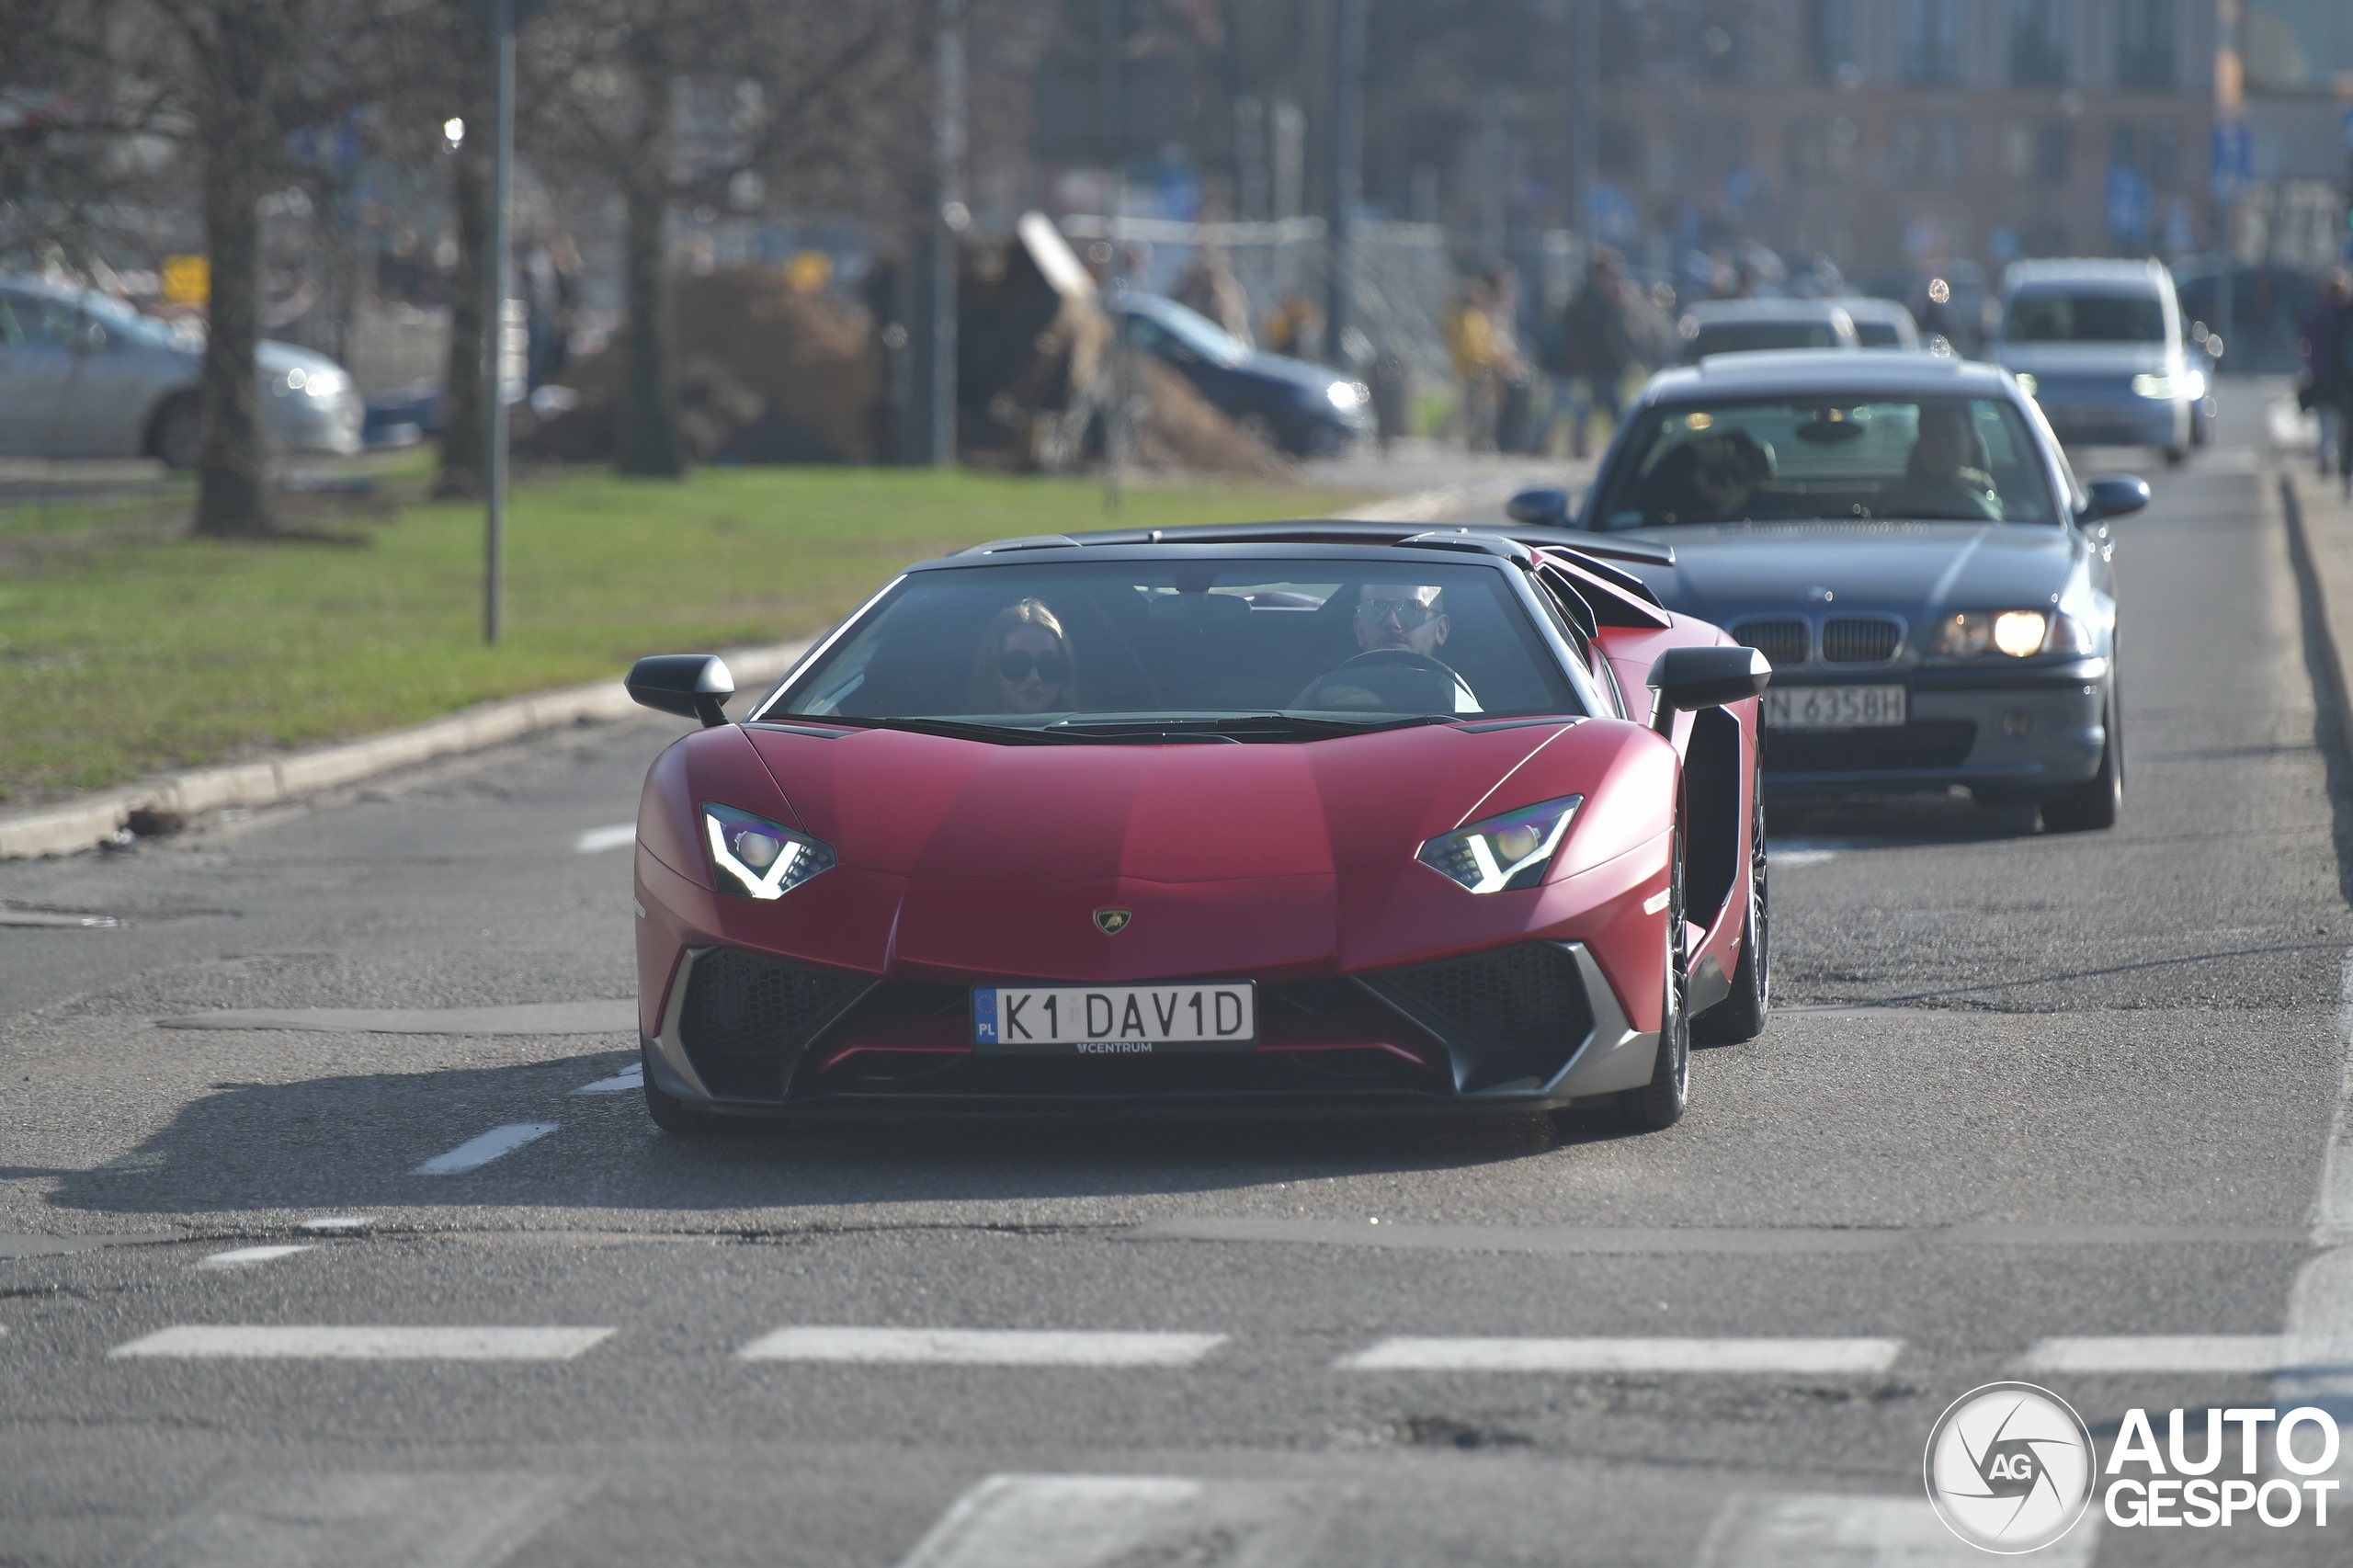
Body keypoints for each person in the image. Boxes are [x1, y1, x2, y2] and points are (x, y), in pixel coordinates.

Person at [1293, 583, 1478, 712]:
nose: (1391, 623)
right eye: (1374, 607)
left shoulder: (1474, 715)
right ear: (1359, 630)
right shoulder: (1317, 706)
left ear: (1441, 629)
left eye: (1414, 608)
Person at [1548, 249, 1639, 459]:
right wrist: (1622, 360)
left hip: (1604, 364)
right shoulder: (1591, 301)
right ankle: (1624, 445)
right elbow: (1604, 337)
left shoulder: (1607, 300)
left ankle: (1583, 442)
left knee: (1596, 406)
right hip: (1600, 364)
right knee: (1610, 407)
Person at [1886, 403, 2001, 520]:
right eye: (1930, 435)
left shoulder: (1990, 494)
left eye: (1951, 433)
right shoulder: (1903, 507)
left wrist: (1989, 495)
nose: (1940, 444)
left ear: (1972, 443)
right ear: (1920, 447)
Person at [967, 598, 1077, 714]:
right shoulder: (960, 728)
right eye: (1017, 664)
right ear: (991, 671)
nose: (1034, 679)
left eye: (1050, 665)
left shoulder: (1089, 726)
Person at [2299, 270, 2351, 485]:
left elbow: (2303, 341)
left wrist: (2311, 362)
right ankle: (2336, 461)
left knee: (2327, 420)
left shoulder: (2318, 313)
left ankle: (2327, 457)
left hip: (2321, 375)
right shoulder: (2343, 315)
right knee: (2340, 422)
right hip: (2339, 378)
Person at [1447, 278, 1499, 452]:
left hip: (1484, 366)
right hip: (1472, 367)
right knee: (1475, 407)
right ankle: (1474, 441)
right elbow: (1468, 346)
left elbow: (1486, 342)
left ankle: (1481, 440)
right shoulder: (1462, 316)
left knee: (1484, 407)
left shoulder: (1478, 317)